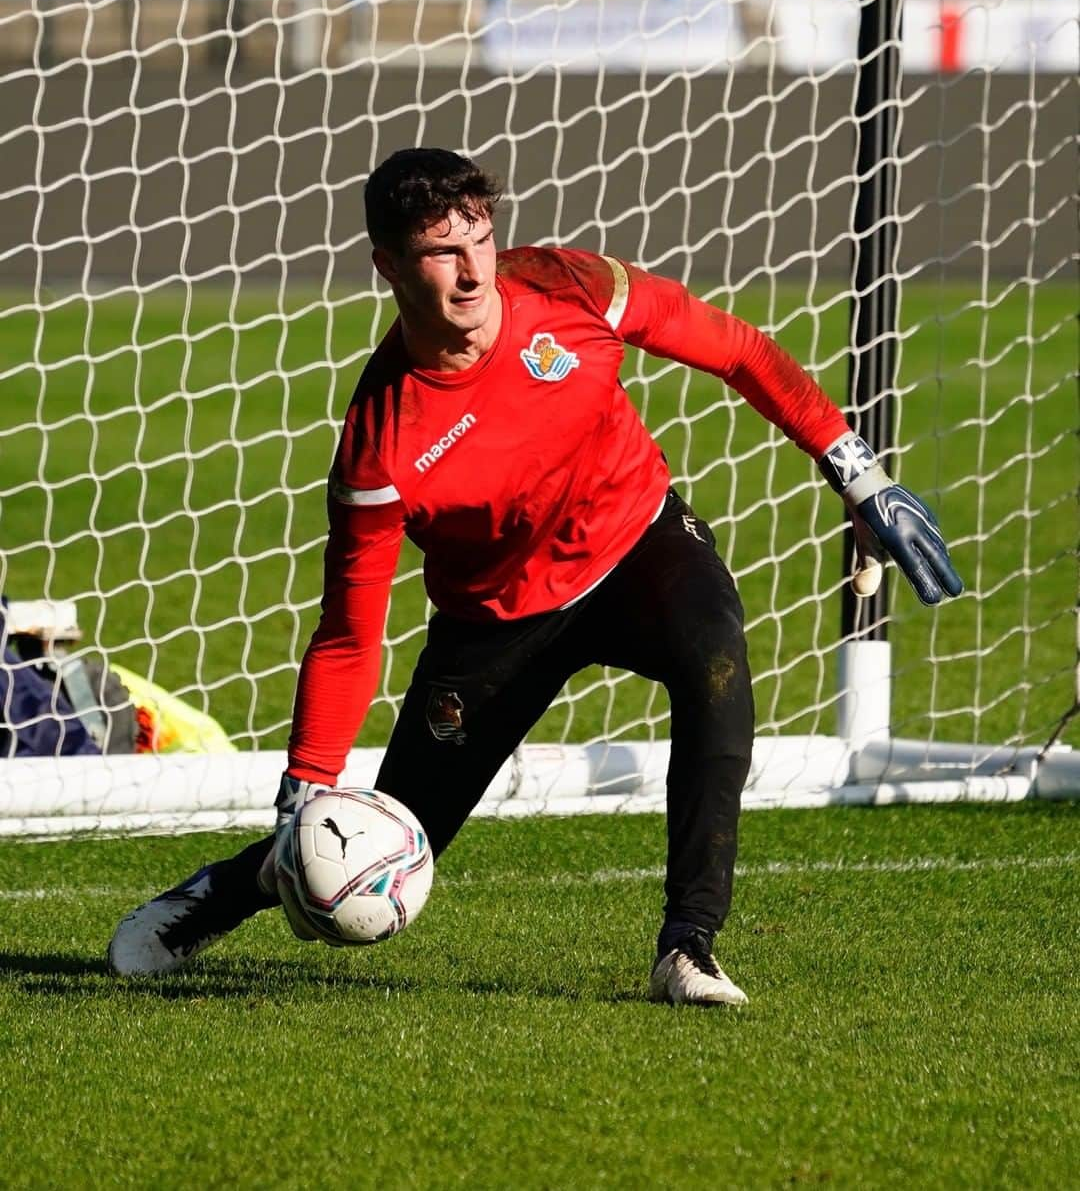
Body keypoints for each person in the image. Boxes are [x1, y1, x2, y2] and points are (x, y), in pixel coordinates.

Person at [108, 148, 962, 1005]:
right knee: (392, 836)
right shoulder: (381, 444)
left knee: (717, 665)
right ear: (389, 267)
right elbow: (348, 631)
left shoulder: (573, 288)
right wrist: (305, 792)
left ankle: (688, 948)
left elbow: (735, 348)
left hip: (638, 542)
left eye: (480, 238)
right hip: (495, 620)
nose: (474, 268)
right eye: (443, 251)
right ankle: (214, 898)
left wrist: (855, 471)